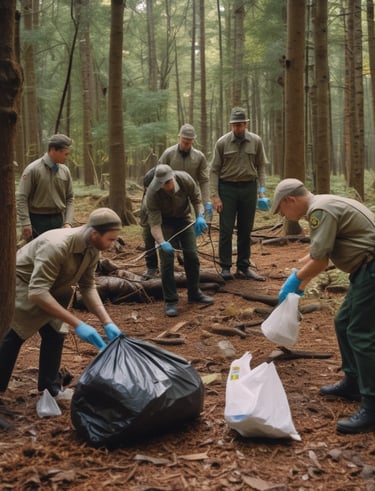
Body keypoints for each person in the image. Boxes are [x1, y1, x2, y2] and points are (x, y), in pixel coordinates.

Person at [272, 178, 375, 434]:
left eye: (282, 210)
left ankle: (372, 405)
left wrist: (295, 281)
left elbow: (319, 261)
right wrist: (299, 273)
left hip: (371, 270)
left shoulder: (319, 211)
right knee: (343, 322)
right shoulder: (324, 203)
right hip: (365, 270)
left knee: (361, 334)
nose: (286, 216)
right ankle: (353, 381)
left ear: (290, 201)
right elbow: (317, 253)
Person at [0, 208, 124, 401]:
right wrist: (78, 323)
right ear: (94, 234)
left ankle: (50, 388)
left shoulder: (92, 249)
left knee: (55, 333)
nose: (113, 243)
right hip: (23, 286)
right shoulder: (57, 246)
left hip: (53, 288)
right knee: (13, 336)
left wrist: (107, 322)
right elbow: (37, 292)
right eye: (111, 239)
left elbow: (88, 286)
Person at [141, 124, 212, 279]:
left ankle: (184, 261)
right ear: (179, 138)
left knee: (182, 229)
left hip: (183, 194)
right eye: (184, 141)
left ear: (193, 141)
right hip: (159, 195)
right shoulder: (168, 154)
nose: (186, 144)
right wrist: (151, 197)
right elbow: (157, 176)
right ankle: (151, 267)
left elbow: (204, 181)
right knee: (149, 228)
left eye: (189, 142)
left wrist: (206, 204)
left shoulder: (199, 157)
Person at [145, 164, 214, 317]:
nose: (163, 187)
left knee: (192, 255)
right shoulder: (152, 192)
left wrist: (200, 216)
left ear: (172, 179)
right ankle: (170, 300)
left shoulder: (185, 179)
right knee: (166, 259)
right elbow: (154, 224)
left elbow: (197, 200)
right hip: (165, 223)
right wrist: (162, 241)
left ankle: (194, 292)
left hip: (184, 219)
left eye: (165, 183)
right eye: (160, 184)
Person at [209, 107, 268, 281]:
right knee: (226, 230)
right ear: (231, 125)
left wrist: (262, 191)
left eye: (240, 125)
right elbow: (214, 170)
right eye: (234, 125)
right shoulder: (222, 142)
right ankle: (226, 267)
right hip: (227, 189)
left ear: (246, 124)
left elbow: (261, 166)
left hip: (249, 188)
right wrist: (215, 196)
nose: (237, 129)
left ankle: (243, 266)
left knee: (245, 229)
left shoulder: (256, 141)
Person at [16, 133, 75, 241]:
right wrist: (25, 223)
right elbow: (21, 197)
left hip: (59, 221)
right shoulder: (33, 170)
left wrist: (68, 222)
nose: (67, 157)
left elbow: (70, 198)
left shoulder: (65, 171)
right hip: (37, 222)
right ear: (53, 150)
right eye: (65, 154)